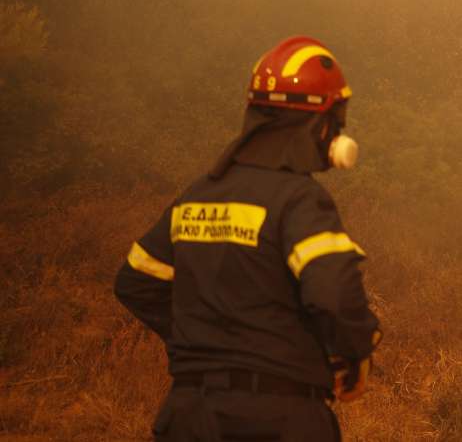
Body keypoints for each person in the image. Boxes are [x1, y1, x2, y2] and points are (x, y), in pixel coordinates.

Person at [114, 35, 382, 442]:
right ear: (318, 124)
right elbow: (333, 295)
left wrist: (206, 341)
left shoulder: (198, 195)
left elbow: (136, 280)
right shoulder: (300, 200)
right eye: (336, 121)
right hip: (279, 419)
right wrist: (354, 356)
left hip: (190, 417)